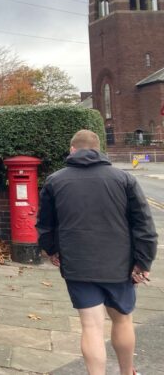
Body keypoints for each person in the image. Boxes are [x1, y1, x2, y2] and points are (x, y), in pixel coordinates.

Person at [36, 129, 157, 375]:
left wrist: (52, 250)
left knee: (91, 327)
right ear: (98, 149)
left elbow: (45, 224)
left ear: (72, 150)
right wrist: (143, 263)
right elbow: (144, 225)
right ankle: (127, 372)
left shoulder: (55, 180)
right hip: (120, 265)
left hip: (78, 264)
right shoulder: (123, 179)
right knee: (122, 320)